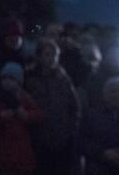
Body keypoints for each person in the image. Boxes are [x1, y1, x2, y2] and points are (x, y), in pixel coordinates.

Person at [25, 38, 81, 175]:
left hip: (61, 137)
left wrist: (70, 129)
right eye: (48, 54)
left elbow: (74, 107)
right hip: (38, 136)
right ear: (39, 56)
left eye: (55, 55)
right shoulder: (30, 78)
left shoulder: (64, 79)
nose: (52, 59)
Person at [0, 62, 44, 175]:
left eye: (11, 78)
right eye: (4, 78)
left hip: (21, 153)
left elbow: (39, 115)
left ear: (18, 82)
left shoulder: (25, 97)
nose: (7, 81)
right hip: (1, 152)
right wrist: (0, 116)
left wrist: (26, 115)